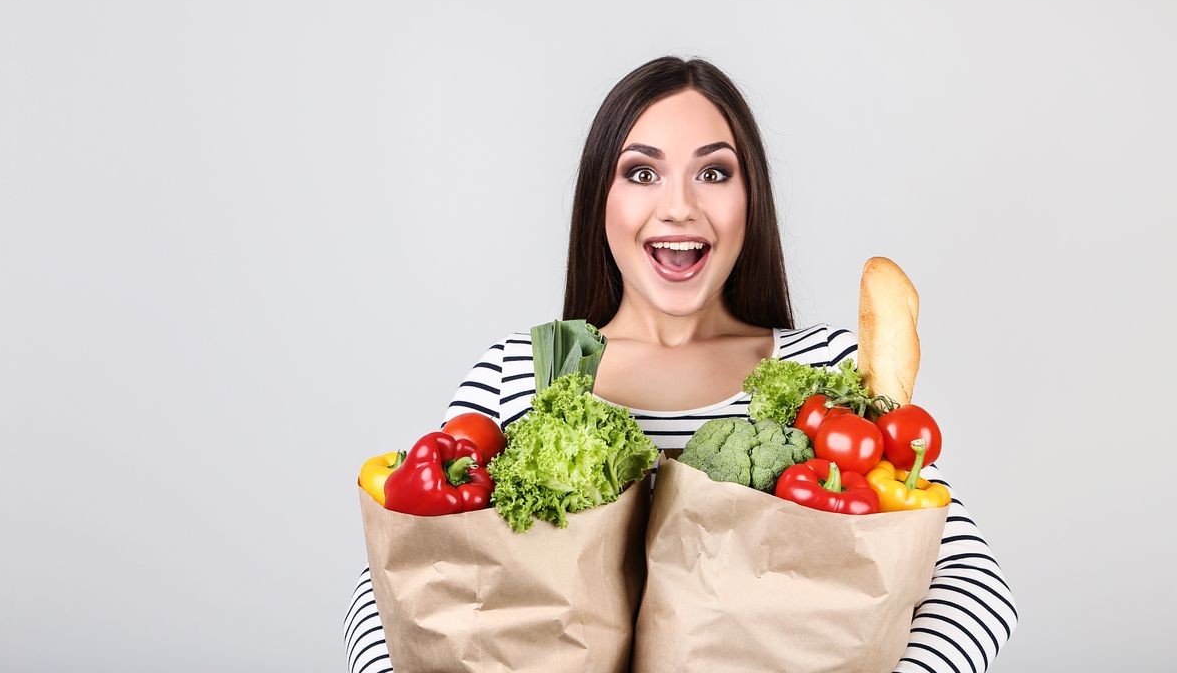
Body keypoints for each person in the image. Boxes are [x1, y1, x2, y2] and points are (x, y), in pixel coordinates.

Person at [345, 56, 1018, 673]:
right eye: (641, 172)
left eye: (714, 172)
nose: (678, 205)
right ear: (598, 200)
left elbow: (971, 584)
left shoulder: (828, 374)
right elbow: (392, 592)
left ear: (751, 198)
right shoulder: (520, 372)